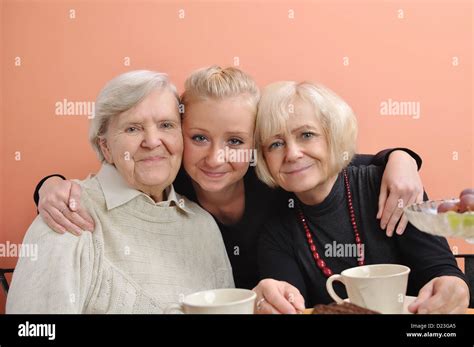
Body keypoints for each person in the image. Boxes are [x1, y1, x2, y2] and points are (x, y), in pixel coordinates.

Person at [32, 66, 425, 314]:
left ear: (258, 146)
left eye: (236, 142)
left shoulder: (273, 177)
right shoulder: (171, 180)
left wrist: (401, 157)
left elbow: (333, 162)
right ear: (182, 135)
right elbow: (117, 168)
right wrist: (48, 186)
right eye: (198, 137)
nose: (216, 159)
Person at [6, 70, 234, 313]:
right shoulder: (67, 216)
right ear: (105, 146)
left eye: (166, 125)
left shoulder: (203, 226)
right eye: (133, 129)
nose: (152, 141)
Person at [255, 81, 470, 313]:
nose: (292, 154)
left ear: (334, 137)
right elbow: (291, 304)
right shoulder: (275, 225)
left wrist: (455, 287)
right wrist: (272, 301)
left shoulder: (388, 185)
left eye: (307, 135)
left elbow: (441, 270)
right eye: (276, 144)